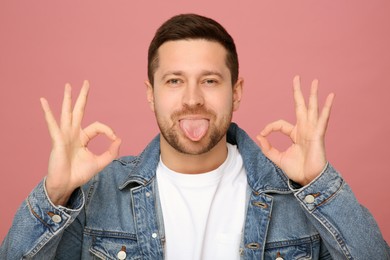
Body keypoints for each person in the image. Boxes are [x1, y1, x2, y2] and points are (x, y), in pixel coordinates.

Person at [1, 13, 389, 260]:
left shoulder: (297, 193)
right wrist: (53, 194)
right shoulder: (98, 191)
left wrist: (321, 186)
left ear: (235, 92)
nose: (192, 99)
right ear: (150, 93)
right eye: (174, 81)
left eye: (209, 80)